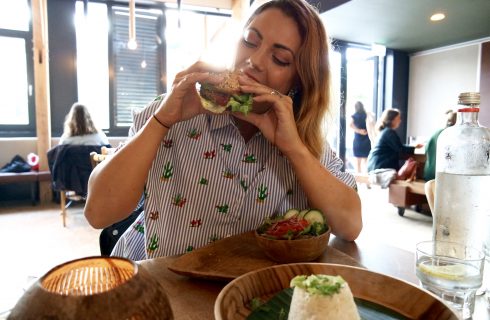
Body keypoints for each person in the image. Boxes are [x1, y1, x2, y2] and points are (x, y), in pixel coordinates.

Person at [84, 0, 362, 260]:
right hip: (159, 285)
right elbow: (98, 213)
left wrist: (294, 150)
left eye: (279, 59)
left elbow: (350, 226)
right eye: (249, 41)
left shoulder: (303, 140)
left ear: (299, 82)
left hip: (248, 294)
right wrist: (161, 121)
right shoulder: (172, 109)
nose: (254, 60)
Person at [423, 110, 456, 181]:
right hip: (442, 176)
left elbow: (426, 150)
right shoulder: (454, 136)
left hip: (429, 173)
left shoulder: (436, 133)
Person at [349, 101, 371, 173]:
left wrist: (358, 131)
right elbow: (371, 124)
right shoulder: (366, 115)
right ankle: (365, 177)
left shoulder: (354, 116)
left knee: (358, 162)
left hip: (358, 139)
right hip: (366, 138)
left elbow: (350, 125)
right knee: (365, 161)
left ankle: (359, 180)